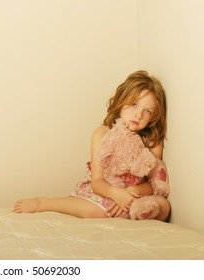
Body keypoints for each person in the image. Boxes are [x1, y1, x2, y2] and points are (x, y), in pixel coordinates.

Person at [13, 70, 171, 221]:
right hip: (106, 189)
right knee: (96, 211)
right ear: (121, 102)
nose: (139, 115)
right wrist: (117, 195)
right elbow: (97, 182)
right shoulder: (102, 133)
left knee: (164, 206)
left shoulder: (152, 141)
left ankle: (138, 212)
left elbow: (154, 183)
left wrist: (133, 192)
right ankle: (43, 203)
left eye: (148, 111)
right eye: (134, 105)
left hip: (136, 196)